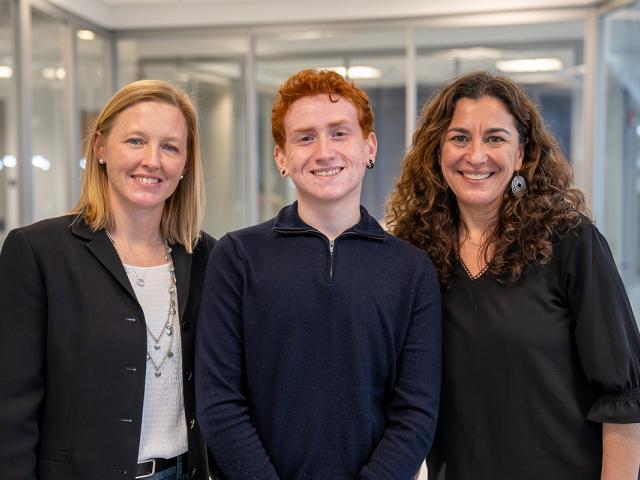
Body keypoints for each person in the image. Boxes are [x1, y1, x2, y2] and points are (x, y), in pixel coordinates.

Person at [386, 70, 640, 479]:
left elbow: (623, 400)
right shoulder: (413, 256)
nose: (476, 155)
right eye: (459, 137)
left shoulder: (570, 242)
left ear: (522, 154)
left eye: (495, 138)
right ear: (436, 151)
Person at [196, 69, 442, 480]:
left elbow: (415, 413)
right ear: (281, 157)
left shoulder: (411, 270)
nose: (324, 151)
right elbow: (219, 400)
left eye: (340, 133)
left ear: (369, 147)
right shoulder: (237, 257)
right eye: (305, 137)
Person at [0, 79, 216, 480]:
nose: (152, 160)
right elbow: (10, 407)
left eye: (170, 146)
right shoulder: (38, 251)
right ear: (100, 147)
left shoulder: (206, 256)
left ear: (185, 164)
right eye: (135, 141)